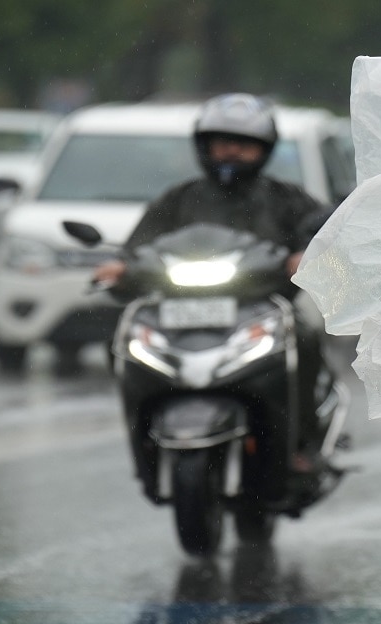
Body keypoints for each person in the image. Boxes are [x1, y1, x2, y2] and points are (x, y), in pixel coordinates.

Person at [93, 92, 335, 480]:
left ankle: (301, 442)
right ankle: (144, 440)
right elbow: (137, 247)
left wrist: (305, 255)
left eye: (243, 145)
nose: (231, 153)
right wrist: (119, 267)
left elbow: (325, 233)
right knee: (121, 341)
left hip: (261, 308)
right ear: (204, 147)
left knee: (303, 340)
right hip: (176, 308)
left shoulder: (285, 198)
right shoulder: (180, 197)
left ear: (264, 150)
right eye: (222, 143)